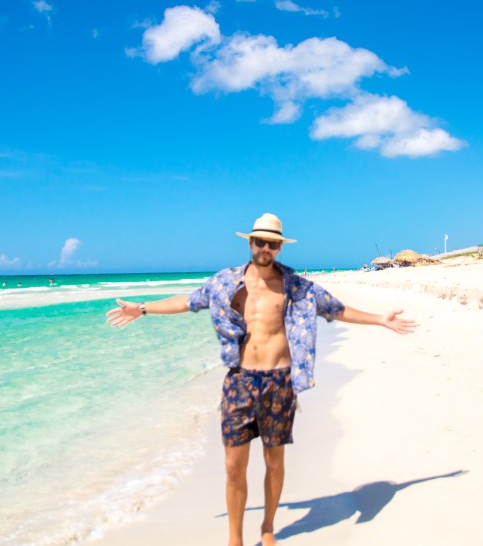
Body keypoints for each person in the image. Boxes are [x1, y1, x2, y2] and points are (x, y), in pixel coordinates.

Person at [105, 213, 415, 546]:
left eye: (273, 243)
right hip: (239, 381)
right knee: (233, 465)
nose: (266, 247)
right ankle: (235, 539)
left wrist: (379, 319)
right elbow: (186, 301)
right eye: (261, 241)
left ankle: (267, 528)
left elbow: (336, 309)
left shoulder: (297, 286)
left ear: (280, 247)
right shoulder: (226, 282)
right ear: (250, 243)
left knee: (274, 460)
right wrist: (143, 308)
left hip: (279, 383)